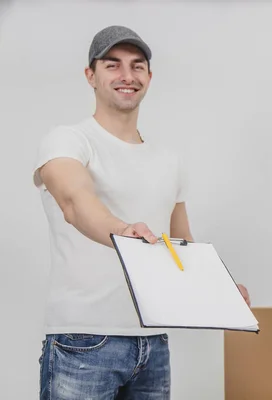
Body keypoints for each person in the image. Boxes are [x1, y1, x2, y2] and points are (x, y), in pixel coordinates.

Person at [33, 25, 250, 399]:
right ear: (91, 76)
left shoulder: (169, 160)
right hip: (83, 340)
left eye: (137, 66)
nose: (127, 76)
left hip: (152, 344)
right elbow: (75, 203)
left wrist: (218, 289)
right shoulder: (68, 140)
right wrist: (124, 231)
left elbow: (180, 247)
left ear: (149, 77)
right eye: (112, 65)